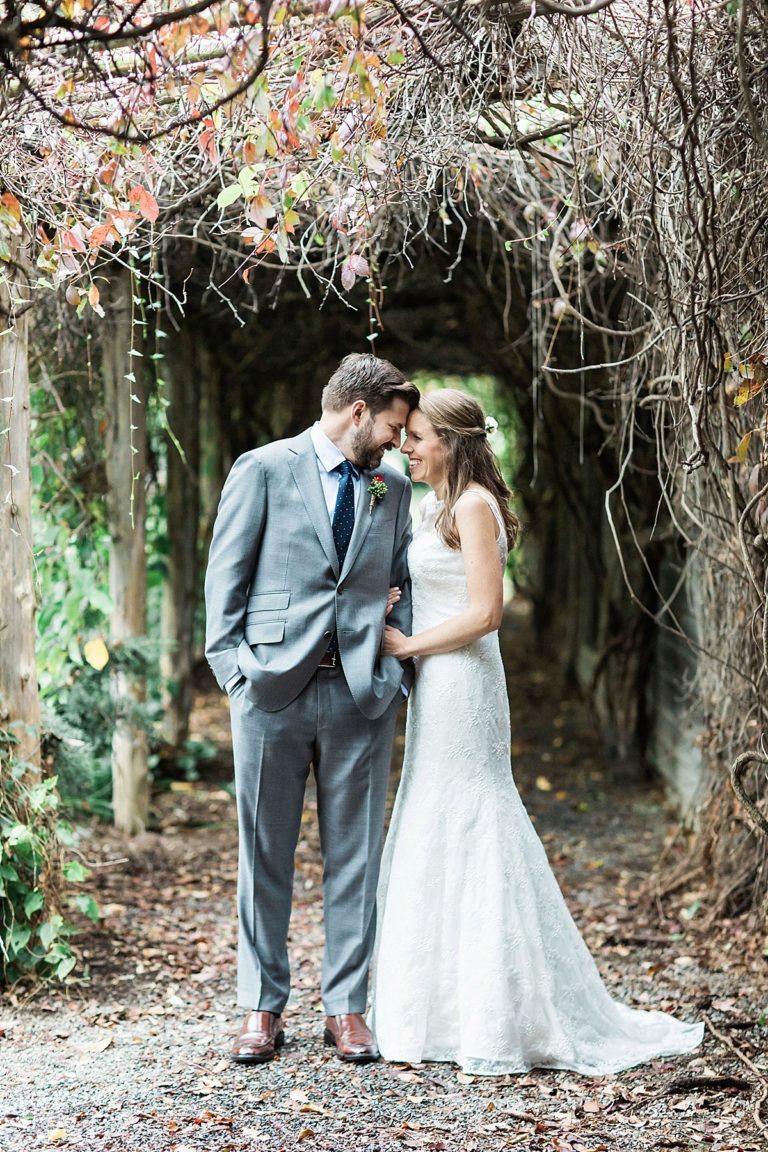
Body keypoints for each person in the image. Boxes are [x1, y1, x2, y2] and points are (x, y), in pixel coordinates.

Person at [372, 389, 704, 1075]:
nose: (405, 445)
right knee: (432, 813)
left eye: (418, 436)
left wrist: (407, 647)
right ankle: (438, 1007)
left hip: (463, 679)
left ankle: (498, 1013)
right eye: (405, 436)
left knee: (473, 814)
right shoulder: (431, 506)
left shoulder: (472, 507)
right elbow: (437, 584)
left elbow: (489, 612)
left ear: (454, 443)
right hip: (436, 683)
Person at [204, 353, 419, 1065]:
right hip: (271, 694)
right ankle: (261, 1007)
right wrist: (239, 678)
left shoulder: (392, 485)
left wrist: (391, 672)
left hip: (360, 696)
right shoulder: (263, 468)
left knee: (354, 856)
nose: (396, 441)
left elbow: (401, 581)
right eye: (390, 426)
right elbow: (223, 587)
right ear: (357, 412)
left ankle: (348, 1008)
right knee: (263, 853)